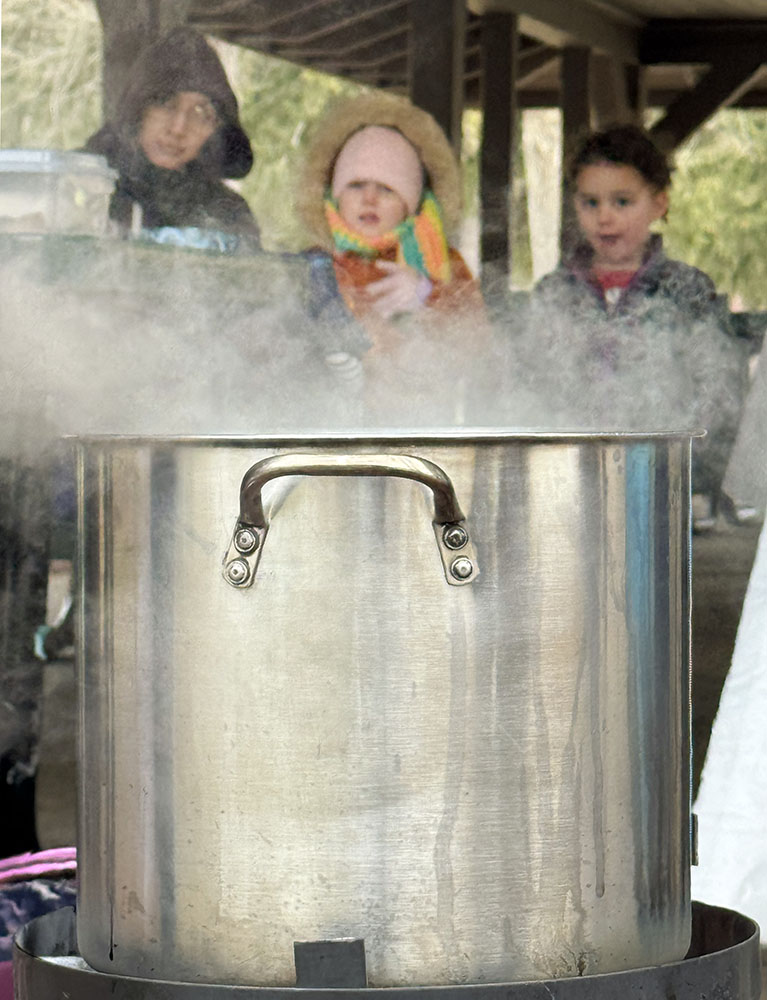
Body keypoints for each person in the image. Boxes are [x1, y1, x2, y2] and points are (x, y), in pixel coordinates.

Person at [526, 124, 748, 512]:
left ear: (659, 204)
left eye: (622, 201)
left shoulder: (688, 291)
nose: (604, 217)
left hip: (665, 485)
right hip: (568, 484)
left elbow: (718, 392)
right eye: (590, 202)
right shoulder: (552, 293)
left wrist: (697, 479)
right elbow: (526, 383)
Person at [296, 91, 485, 362]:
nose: (369, 199)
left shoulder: (446, 265)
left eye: (386, 189)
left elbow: (480, 352)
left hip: (419, 404)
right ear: (335, 196)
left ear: (411, 203)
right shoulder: (311, 265)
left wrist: (426, 296)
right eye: (356, 185)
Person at [84, 26, 259, 243]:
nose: (178, 128)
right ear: (137, 111)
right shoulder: (79, 187)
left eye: (201, 112)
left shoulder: (229, 215)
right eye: (166, 104)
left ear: (217, 129)